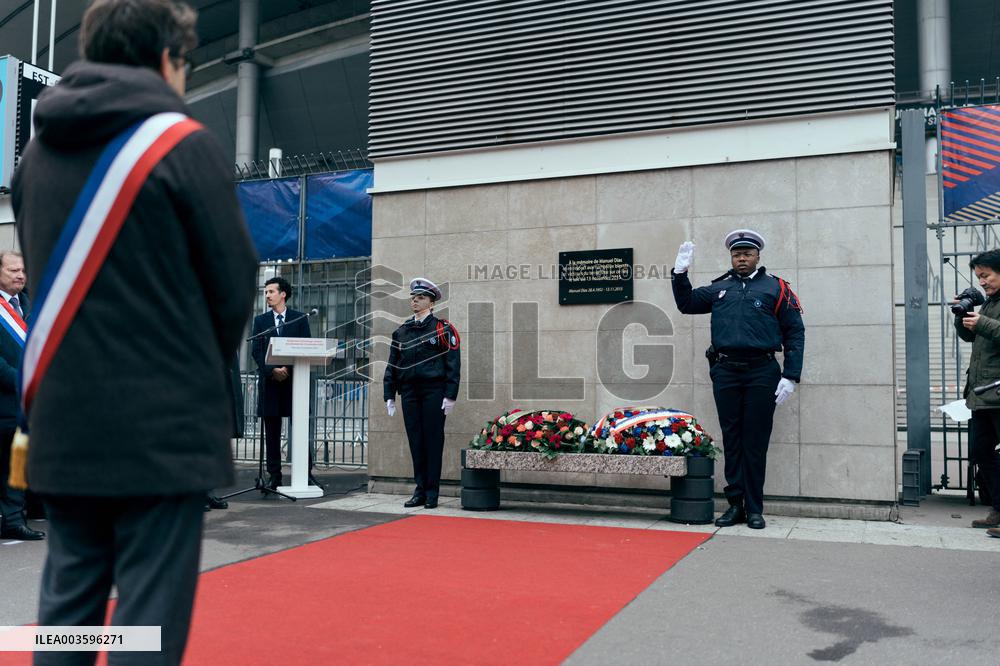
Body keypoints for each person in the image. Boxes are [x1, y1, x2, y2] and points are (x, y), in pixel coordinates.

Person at [11, 0, 258, 663]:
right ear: (168, 59)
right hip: (161, 429)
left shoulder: (35, 157)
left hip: (62, 423)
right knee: (146, 617)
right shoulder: (184, 146)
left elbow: (41, 279)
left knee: (67, 607)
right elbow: (233, 287)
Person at [672, 230, 805, 530]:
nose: (741, 258)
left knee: (755, 443)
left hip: (762, 372)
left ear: (758, 255)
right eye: (736, 254)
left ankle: (755, 508)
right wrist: (680, 272)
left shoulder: (776, 288)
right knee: (732, 440)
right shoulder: (721, 288)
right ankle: (735, 505)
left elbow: (795, 331)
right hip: (727, 371)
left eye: (747, 253)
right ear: (731, 257)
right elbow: (687, 302)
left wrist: (791, 376)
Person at [383, 278, 461, 509]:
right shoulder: (402, 332)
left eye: (421, 298)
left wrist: (450, 394)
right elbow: (393, 365)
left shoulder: (442, 329)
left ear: (432, 302)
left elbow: (453, 363)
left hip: (433, 392)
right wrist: (389, 393)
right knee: (416, 442)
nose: (415, 301)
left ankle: (432, 493)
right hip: (409, 392)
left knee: (433, 442)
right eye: (413, 298)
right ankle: (420, 490)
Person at [250, 276, 311, 490]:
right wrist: (272, 371)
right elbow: (256, 351)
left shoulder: (299, 319)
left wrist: (288, 369)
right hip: (270, 385)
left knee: (301, 428)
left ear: (283, 294)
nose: (267, 295)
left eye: (271, 291)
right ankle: (274, 476)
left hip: (295, 384)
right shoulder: (260, 322)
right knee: (272, 432)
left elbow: (307, 348)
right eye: (265, 292)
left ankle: (306, 473)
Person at [954, 249, 1000, 533]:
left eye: (986, 275)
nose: (982, 282)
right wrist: (963, 316)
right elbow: (970, 335)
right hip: (982, 394)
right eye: (979, 277)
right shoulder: (991, 303)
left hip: (998, 391)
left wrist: (982, 322)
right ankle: (998, 508)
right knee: (981, 452)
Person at [0, 251, 44, 541]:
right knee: (9, 457)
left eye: (23, 271)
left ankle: (34, 506)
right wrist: (21, 380)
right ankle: (12, 518)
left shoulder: (28, 302)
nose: (20, 275)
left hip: (32, 396)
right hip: (6, 396)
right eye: (13, 270)